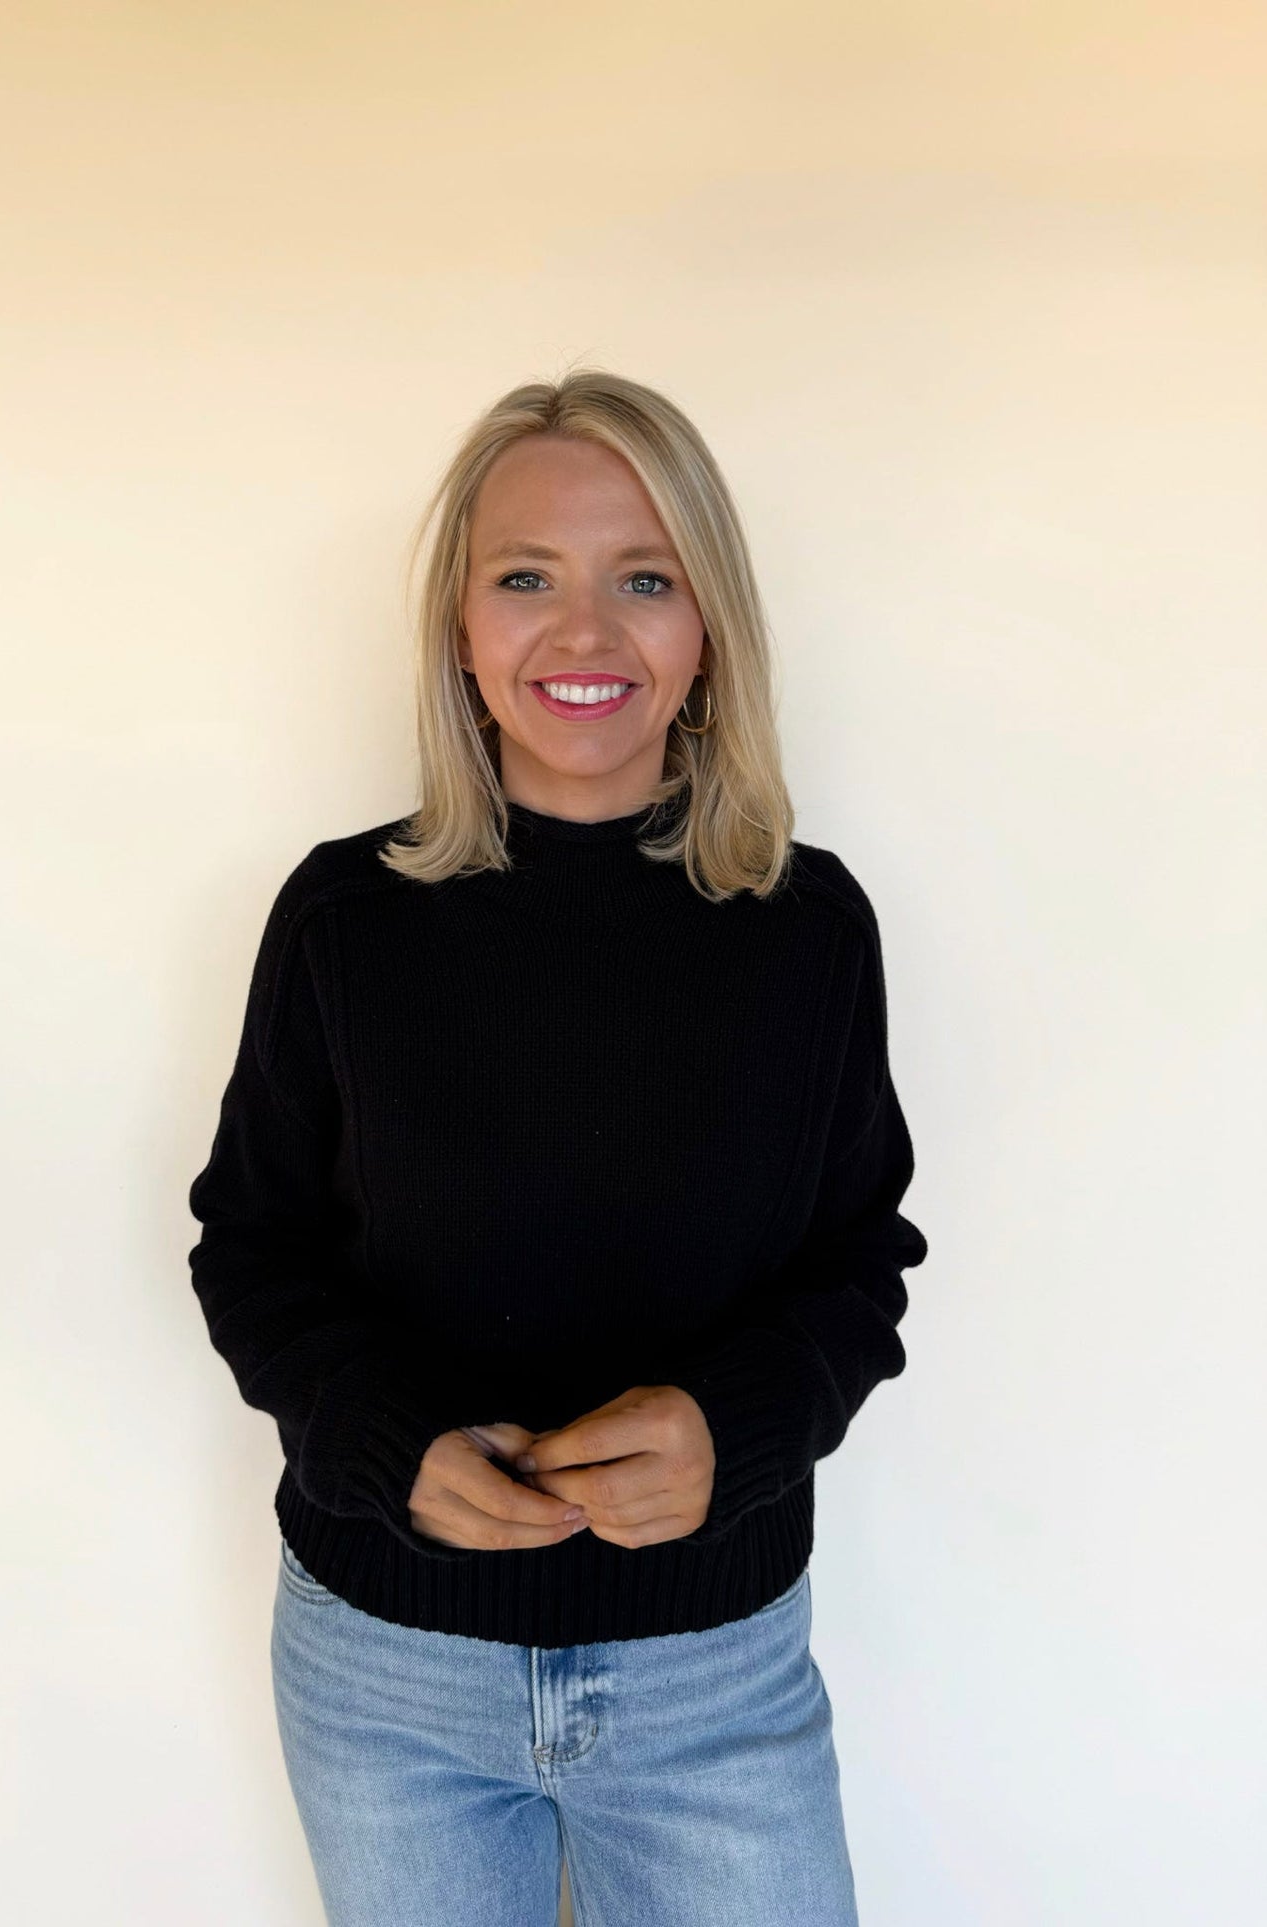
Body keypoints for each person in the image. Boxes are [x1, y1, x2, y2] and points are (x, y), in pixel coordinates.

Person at [186, 367, 928, 1926]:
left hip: (712, 1677)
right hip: (389, 1679)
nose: (583, 636)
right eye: (526, 578)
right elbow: (250, 1249)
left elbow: (861, 1259)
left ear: (706, 623)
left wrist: (736, 1427)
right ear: (459, 629)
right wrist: (384, 1448)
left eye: (643, 579)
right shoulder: (344, 920)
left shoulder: (805, 929)